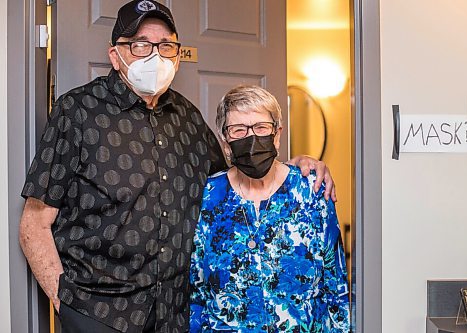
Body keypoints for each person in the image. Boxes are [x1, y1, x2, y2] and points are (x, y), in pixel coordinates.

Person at [18, 1, 336, 333]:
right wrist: (66, 303)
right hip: (100, 313)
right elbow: (33, 225)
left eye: (166, 45)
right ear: (116, 55)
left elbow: (237, 178)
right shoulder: (77, 112)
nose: (154, 55)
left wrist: (297, 165)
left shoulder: (188, 119)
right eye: (141, 44)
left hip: (177, 314)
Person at [190, 85, 350, 332]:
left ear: (277, 135)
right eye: (238, 130)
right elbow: (196, 291)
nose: (251, 138)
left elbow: (335, 285)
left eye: (261, 127)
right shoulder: (207, 195)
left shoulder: (312, 191)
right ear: (225, 142)